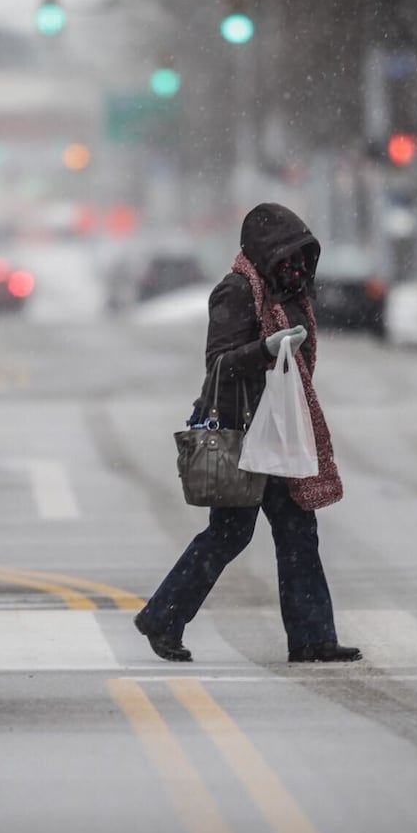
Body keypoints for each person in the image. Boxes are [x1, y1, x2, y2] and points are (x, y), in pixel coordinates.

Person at [133, 203, 361, 664]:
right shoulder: (236, 291)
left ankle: (313, 638)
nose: (296, 265)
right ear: (263, 251)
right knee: (230, 534)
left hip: (277, 428)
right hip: (240, 433)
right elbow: (218, 362)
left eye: (302, 256)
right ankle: (162, 616)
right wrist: (266, 349)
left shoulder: (287, 291)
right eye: (287, 255)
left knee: (299, 529)